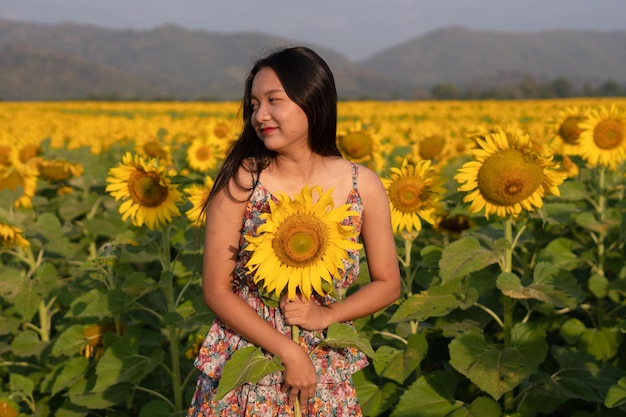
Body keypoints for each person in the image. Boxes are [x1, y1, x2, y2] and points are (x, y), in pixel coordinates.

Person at [187, 46, 401, 416]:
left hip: (323, 365)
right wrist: (289, 351)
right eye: (253, 105)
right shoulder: (242, 181)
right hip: (247, 360)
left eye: (274, 100)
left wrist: (327, 316)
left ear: (312, 101)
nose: (260, 115)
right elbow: (216, 290)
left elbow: (388, 283)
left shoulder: (362, 186)